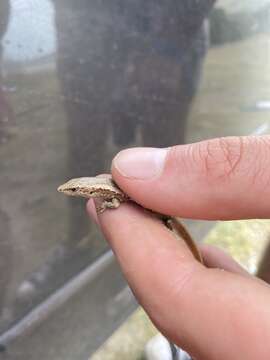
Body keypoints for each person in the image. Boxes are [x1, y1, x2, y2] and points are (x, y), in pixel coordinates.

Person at [87, 135, 270, 360]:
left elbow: (115, 201)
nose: (76, 192)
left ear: (91, 191)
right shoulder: (105, 190)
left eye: (77, 190)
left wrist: (109, 205)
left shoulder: (108, 195)